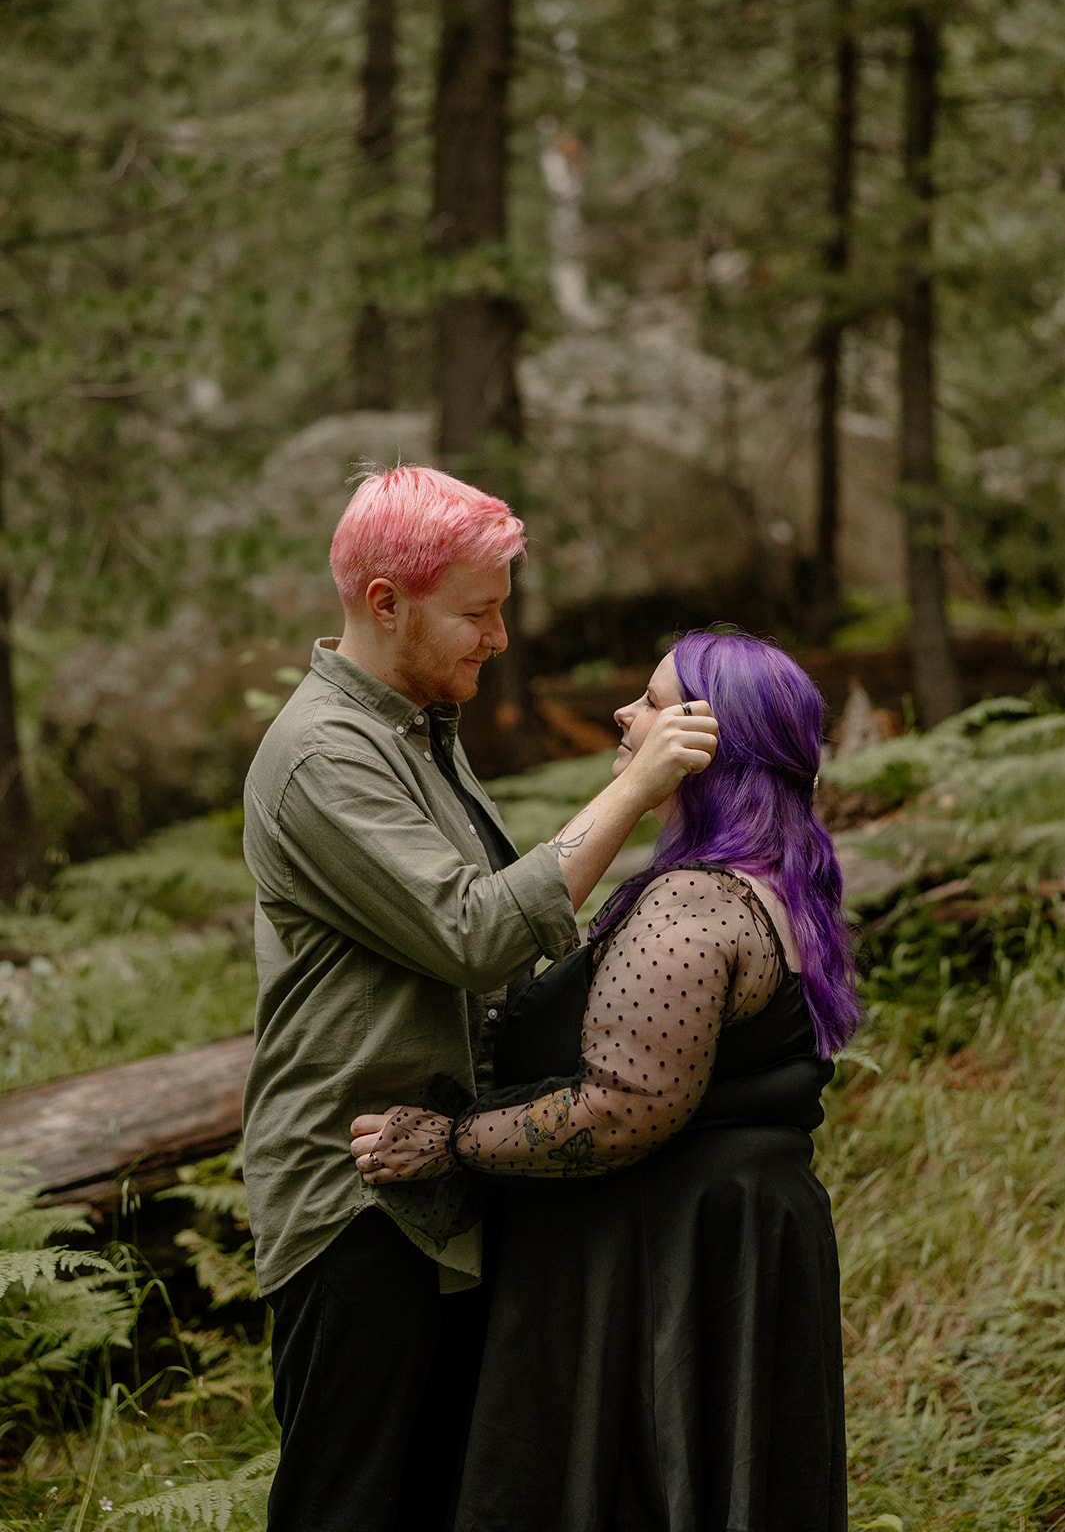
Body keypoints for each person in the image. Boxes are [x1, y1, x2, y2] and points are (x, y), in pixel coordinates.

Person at [240, 463, 718, 1532]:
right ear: (383, 603)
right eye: (477, 613)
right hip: (356, 1201)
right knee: (350, 1505)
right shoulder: (324, 755)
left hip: (443, 1183)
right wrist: (636, 789)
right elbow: (474, 932)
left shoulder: (419, 733)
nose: (497, 639)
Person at [351, 627, 861, 1532]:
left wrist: (452, 1140)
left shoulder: (695, 901)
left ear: (707, 745)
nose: (625, 714)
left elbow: (621, 1111)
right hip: (729, 1245)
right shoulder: (782, 886)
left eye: (653, 702)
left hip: (663, 1263)